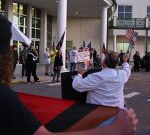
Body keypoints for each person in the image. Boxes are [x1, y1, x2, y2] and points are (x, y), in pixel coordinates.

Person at [0, 14, 138, 135]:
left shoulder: (97, 77)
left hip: (98, 116)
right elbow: (127, 70)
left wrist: (79, 75)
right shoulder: (121, 75)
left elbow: (78, 86)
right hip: (114, 115)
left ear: (103, 63)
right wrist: (125, 61)